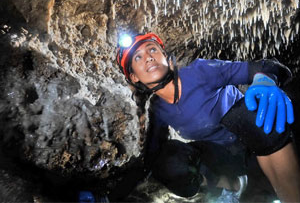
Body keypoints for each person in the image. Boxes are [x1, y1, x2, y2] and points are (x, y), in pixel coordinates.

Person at [115, 32, 300, 202]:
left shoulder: (200, 72)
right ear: (134, 77)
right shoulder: (158, 108)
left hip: (259, 134)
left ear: (166, 57)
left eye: (152, 49)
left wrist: (265, 80)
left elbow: (266, 67)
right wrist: (118, 192)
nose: (148, 58)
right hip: (227, 160)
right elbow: (152, 155)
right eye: (138, 57)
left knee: (245, 112)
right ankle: (234, 185)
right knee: (168, 161)